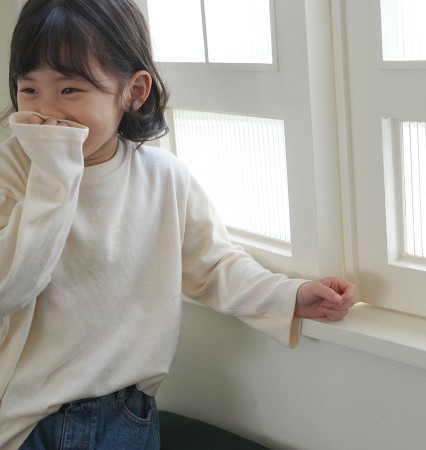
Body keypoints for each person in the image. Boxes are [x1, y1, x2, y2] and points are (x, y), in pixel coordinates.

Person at [0, 0, 356, 448]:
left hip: (124, 414)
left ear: (133, 91)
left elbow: (215, 265)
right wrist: (53, 177)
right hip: (25, 419)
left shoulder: (163, 177)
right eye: (29, 89)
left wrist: (290, 295)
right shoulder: (13, 170)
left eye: (70, 89)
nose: (47, 111)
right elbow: (9, 286)